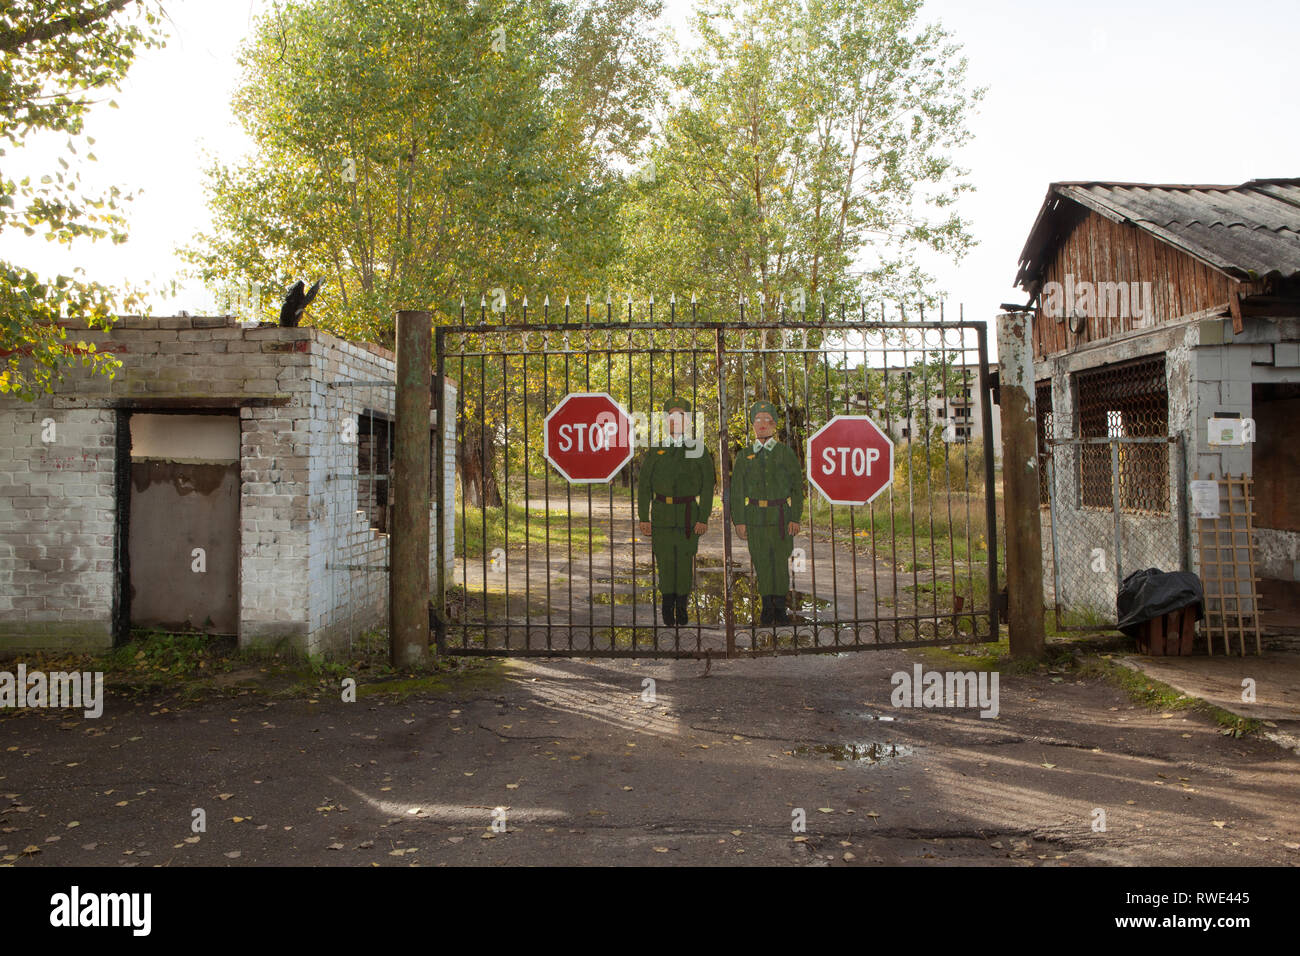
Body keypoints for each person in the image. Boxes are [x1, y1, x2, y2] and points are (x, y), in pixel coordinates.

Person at [637, 398, 715, 626]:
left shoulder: (697, 449)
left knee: (684, 562)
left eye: (680, 416)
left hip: (688, 515)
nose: (675, 420)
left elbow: (708, 487)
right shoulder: (656, 450)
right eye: (671, 416)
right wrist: (644, 517)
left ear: (688, 421)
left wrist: (703, 517)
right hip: (661, 515)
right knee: (665, 561)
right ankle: (667, 606)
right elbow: (644, 487)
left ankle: (682, 605)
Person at [730, 401, 803, 625]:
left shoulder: (784, 453)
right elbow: (737, 491)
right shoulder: (744, 456)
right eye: (757, 420)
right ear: (752, 425)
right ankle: (766, 607)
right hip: (755, 517)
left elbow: (797, 488)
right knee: (761, 562)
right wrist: (739, 521)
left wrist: (795, 517)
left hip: (781, 516)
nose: (762, 424)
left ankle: (780, 608)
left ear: (774, 425)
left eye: (766, 420)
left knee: (780, 563)